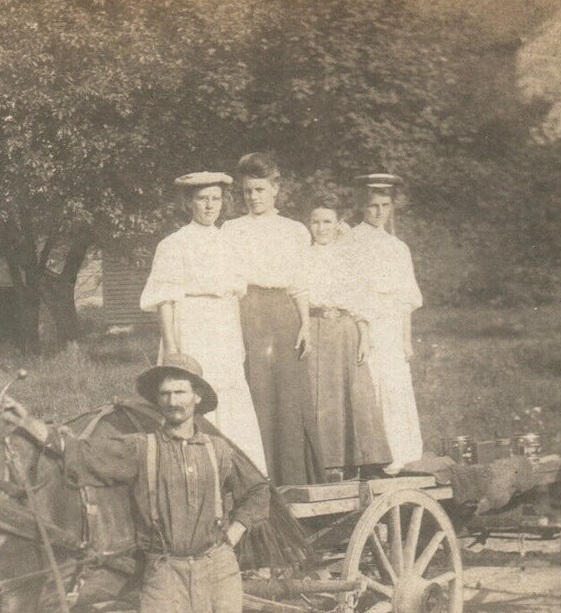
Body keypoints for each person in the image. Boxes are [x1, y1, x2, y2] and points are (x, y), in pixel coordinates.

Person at [0, 354, 270, 613]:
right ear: (158, 401)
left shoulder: (218, 450)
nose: (172, 400)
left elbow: (258, 491)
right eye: (165, 393)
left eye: (180, 391)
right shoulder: (139, 449)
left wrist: (234, 533)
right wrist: (28, 422)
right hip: (165, 576)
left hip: (218, 571)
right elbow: (80, 453)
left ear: (197, 398)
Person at [140, 171, 268, 474]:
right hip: (192, 325)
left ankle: (239, 472)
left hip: (223, 326)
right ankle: (193, 470)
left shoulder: (229, 242)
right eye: (202, 199)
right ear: (188, 203)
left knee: (230, 396)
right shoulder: (173, 244)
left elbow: (237, 295)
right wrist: (172, 349)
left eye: (216, 198)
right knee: (194, 392)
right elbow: (165, 300)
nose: (210, 206)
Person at [220, 152, 318, 486]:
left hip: (283, 314)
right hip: (247, 311)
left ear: (276, 189)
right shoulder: (230, 230)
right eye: (248, 191)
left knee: (288, 396)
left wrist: (305, 323)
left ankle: (294, 480)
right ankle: (259, 481)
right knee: (254, 392)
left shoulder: (294, 231)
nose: (254, 197)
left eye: (260, 189)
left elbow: (300, 282)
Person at [291, 199, 392, 481]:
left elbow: (359, 299)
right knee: (320, 394)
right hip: (314, 325)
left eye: (327, 222)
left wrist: (364, 334)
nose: (321, 228)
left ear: (337, 225)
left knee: (354, 392)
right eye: (315, 222)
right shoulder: (302, 256)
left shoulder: (348, 258)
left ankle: (362, 461)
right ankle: (327, 463)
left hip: (345, 327)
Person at [348, 174, 424, 474]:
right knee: (371, 381)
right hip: (365, 320)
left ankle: (401, 452)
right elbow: (351, 291)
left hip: (392, 323)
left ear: (392, 207)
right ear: (362, 207)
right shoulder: (352, 241)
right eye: (373, 206)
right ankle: (375, 454)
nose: (379, 212)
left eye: (385, 205)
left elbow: (405, 298)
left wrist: (406, 339)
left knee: (395, 382)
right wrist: (363, 330)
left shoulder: (398, 247)